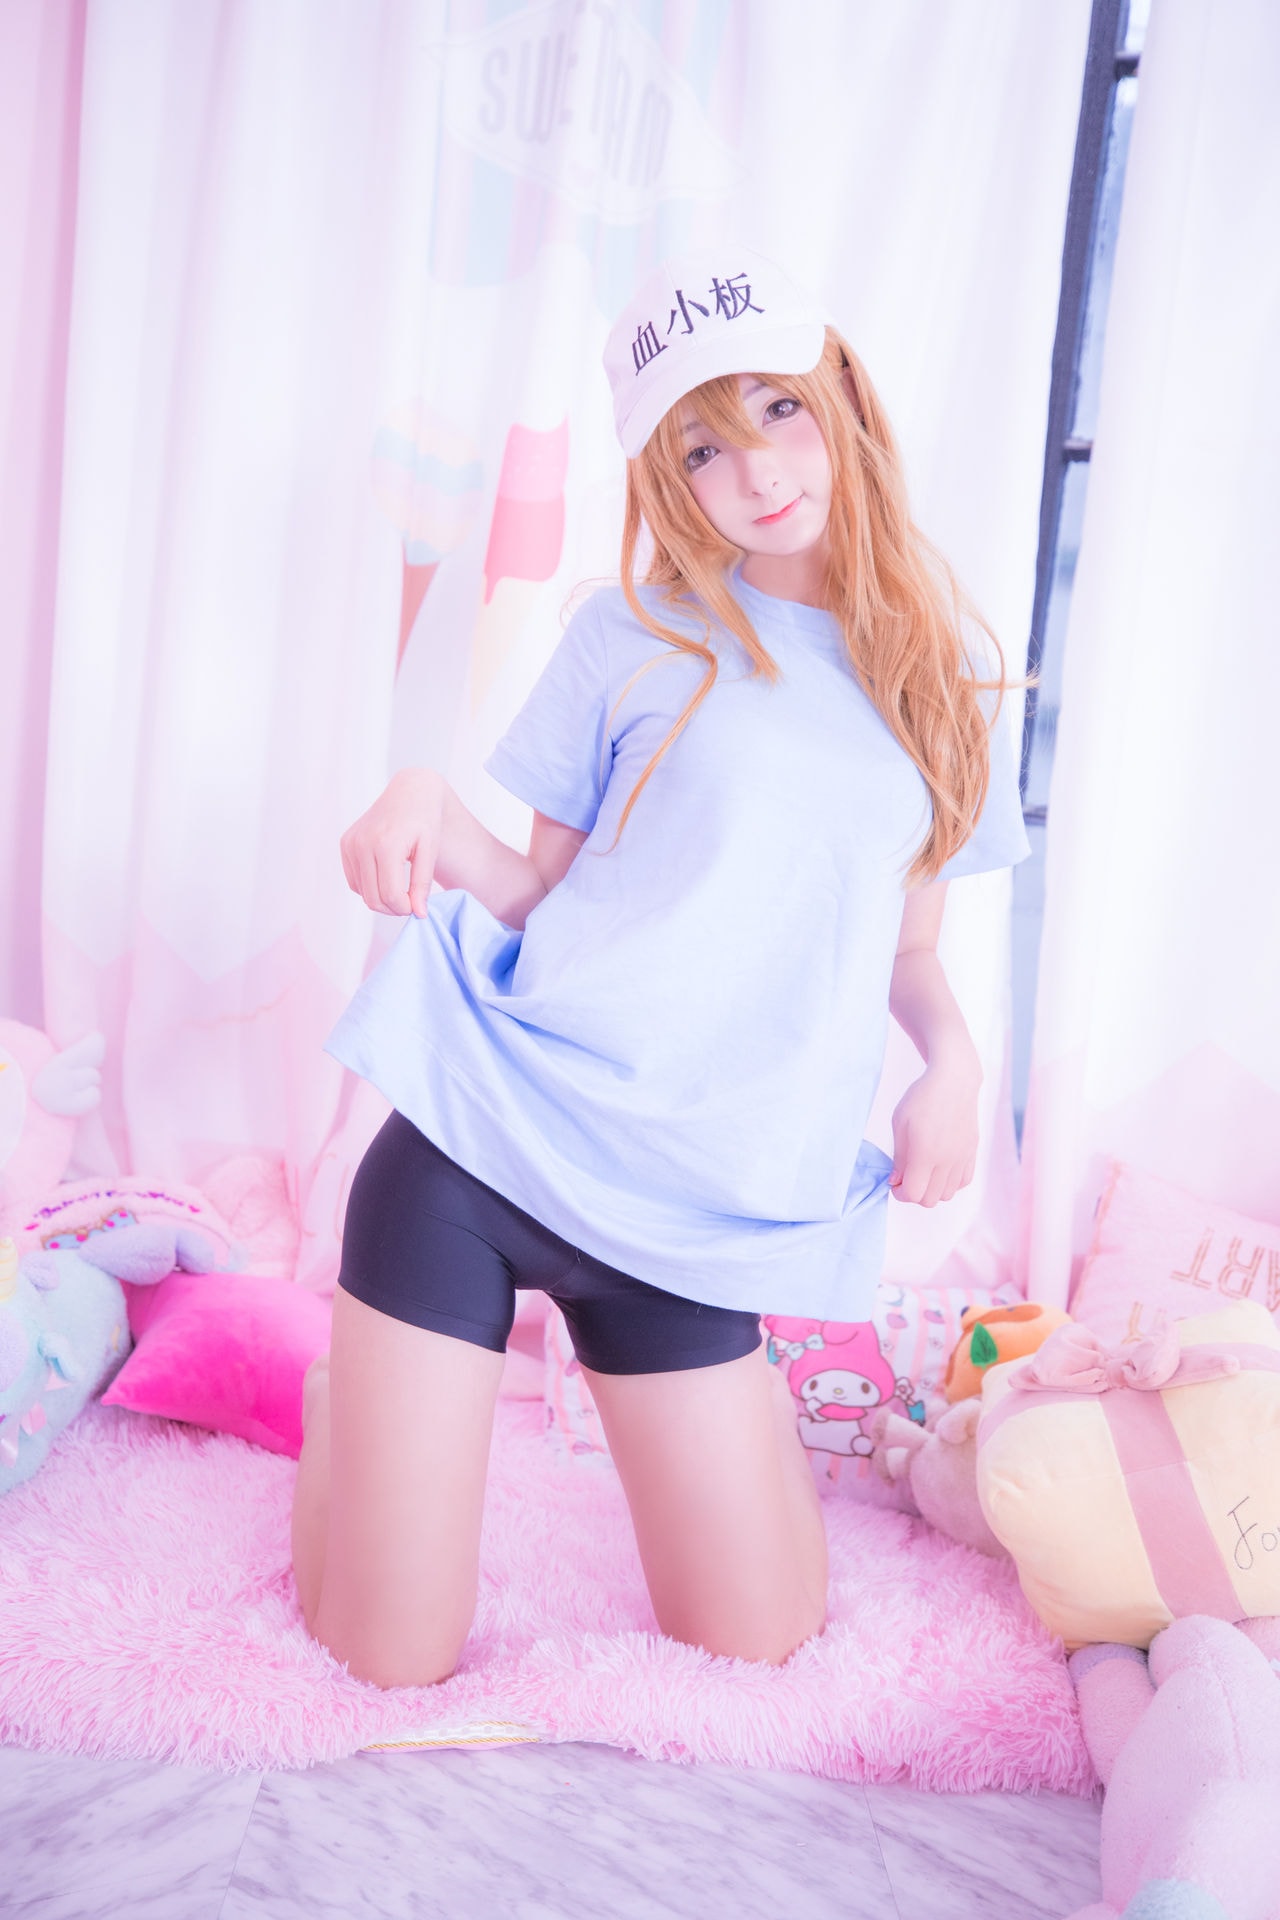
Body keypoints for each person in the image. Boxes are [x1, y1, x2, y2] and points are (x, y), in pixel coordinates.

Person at [291, 249, 1030, 1690]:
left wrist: (955, 1062)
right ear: (666, 478)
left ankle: (400, 1416)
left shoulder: (941, 681)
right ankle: (350, 1418)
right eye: (701, 447)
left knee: (760, 1647)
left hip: (697, 1210)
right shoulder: (629, 634)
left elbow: (908, 943)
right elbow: (549, 898)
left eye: (778, 410)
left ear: (841, 399)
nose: (755, 471)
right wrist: (428, 803)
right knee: (385, 1659)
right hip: (488, 1145)